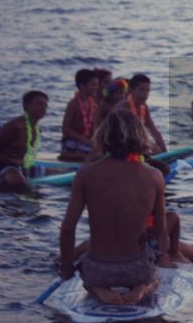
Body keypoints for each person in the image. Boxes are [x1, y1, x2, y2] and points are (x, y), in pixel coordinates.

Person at [58, 110, 167, 306]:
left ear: (103, 136)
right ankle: (142, 289)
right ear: (140, 135)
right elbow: (159, 229)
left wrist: (66, 267)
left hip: (100, 269)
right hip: (137, 268)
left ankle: (99, 291)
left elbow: (67, 229)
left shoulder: (86, 174)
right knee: (155, 278)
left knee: (87, 277)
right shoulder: (155, 176)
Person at [0, 90, 48, 188]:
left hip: (22, 166)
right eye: (39, 104)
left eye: (45, 105)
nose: (43, 108)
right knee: (19, 182)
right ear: (26, 106)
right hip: (3, 166)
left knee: (62, 173)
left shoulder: (37, 129)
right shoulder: (16, 126)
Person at [59, 69, 100, 159]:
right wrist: (84, 140)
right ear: (82, 86)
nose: (96, 87)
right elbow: (65, 129)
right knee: (95, 155)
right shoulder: (73, 104)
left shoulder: (93, 104)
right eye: (93, 84)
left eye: (97, 84)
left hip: (86, 141)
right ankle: (67, 155)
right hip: (71, 142)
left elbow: (94, 126)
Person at [122, 74, 167, 155]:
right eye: (141, 90)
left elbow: (154, 132)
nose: (145, 94)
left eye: (147, 90)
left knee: (157, 149)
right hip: (121, 147)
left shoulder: (144, 107)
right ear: (131, 90)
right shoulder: (124, 106)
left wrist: (165, 153)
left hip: (136, 145)